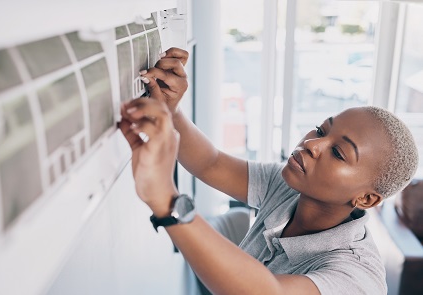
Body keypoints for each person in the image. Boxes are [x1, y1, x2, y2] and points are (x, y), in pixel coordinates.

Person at [119, 48, 419, 295]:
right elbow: (211, 163)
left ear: (366, 198)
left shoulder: (357, 278)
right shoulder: (290, 186)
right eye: (320, 129)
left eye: (338, 153)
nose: (312, 144)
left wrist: (167, 201)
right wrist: (171, 109)